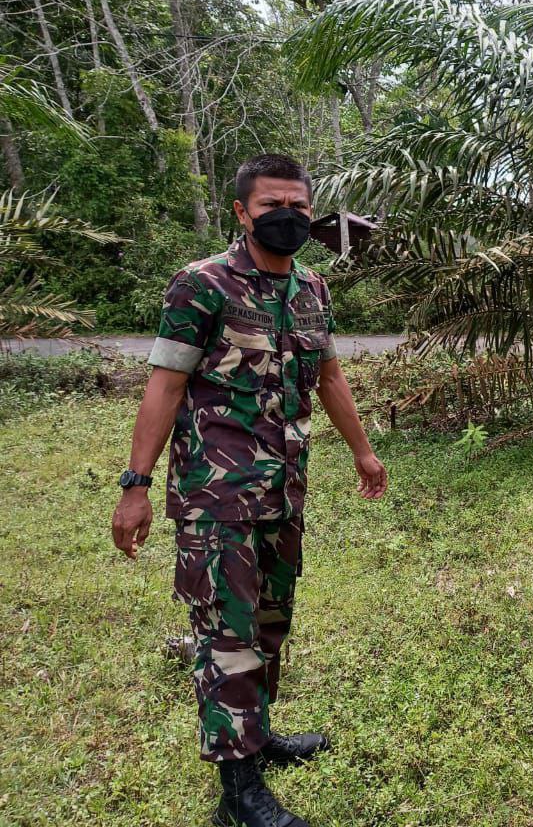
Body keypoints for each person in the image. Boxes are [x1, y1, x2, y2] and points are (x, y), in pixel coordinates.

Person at [110, 153, 388, 827]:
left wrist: (364, 451)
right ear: (241, 211)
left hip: (284, 489)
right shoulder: (200, 285)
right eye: (271, 206)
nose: (287, 217)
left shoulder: (312, 289)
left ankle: (257, 737)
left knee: (270, 623)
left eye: (298, 205)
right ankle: (239, 790)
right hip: (216, 495)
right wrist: (135, 486)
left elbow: (329, 378)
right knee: (227, 632)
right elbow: (165, 385)